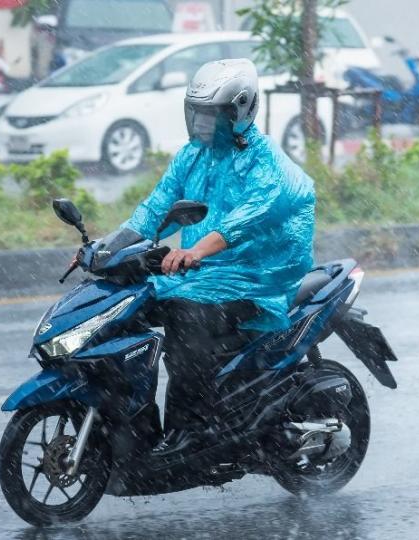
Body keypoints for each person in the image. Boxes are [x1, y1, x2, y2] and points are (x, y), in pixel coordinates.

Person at [121, 58, 317, 453]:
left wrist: (193, 250)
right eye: (197, 113)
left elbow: (243, 221)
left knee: (185, 320)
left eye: (212, 115)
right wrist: (106, 248)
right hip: (205, 271)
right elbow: (154, 210)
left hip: (256, 274)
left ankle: (193, 428)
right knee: (130, 307)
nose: (202, 123)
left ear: (239, 112)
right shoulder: (192, 156)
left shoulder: (267, 165)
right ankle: (128, 426)